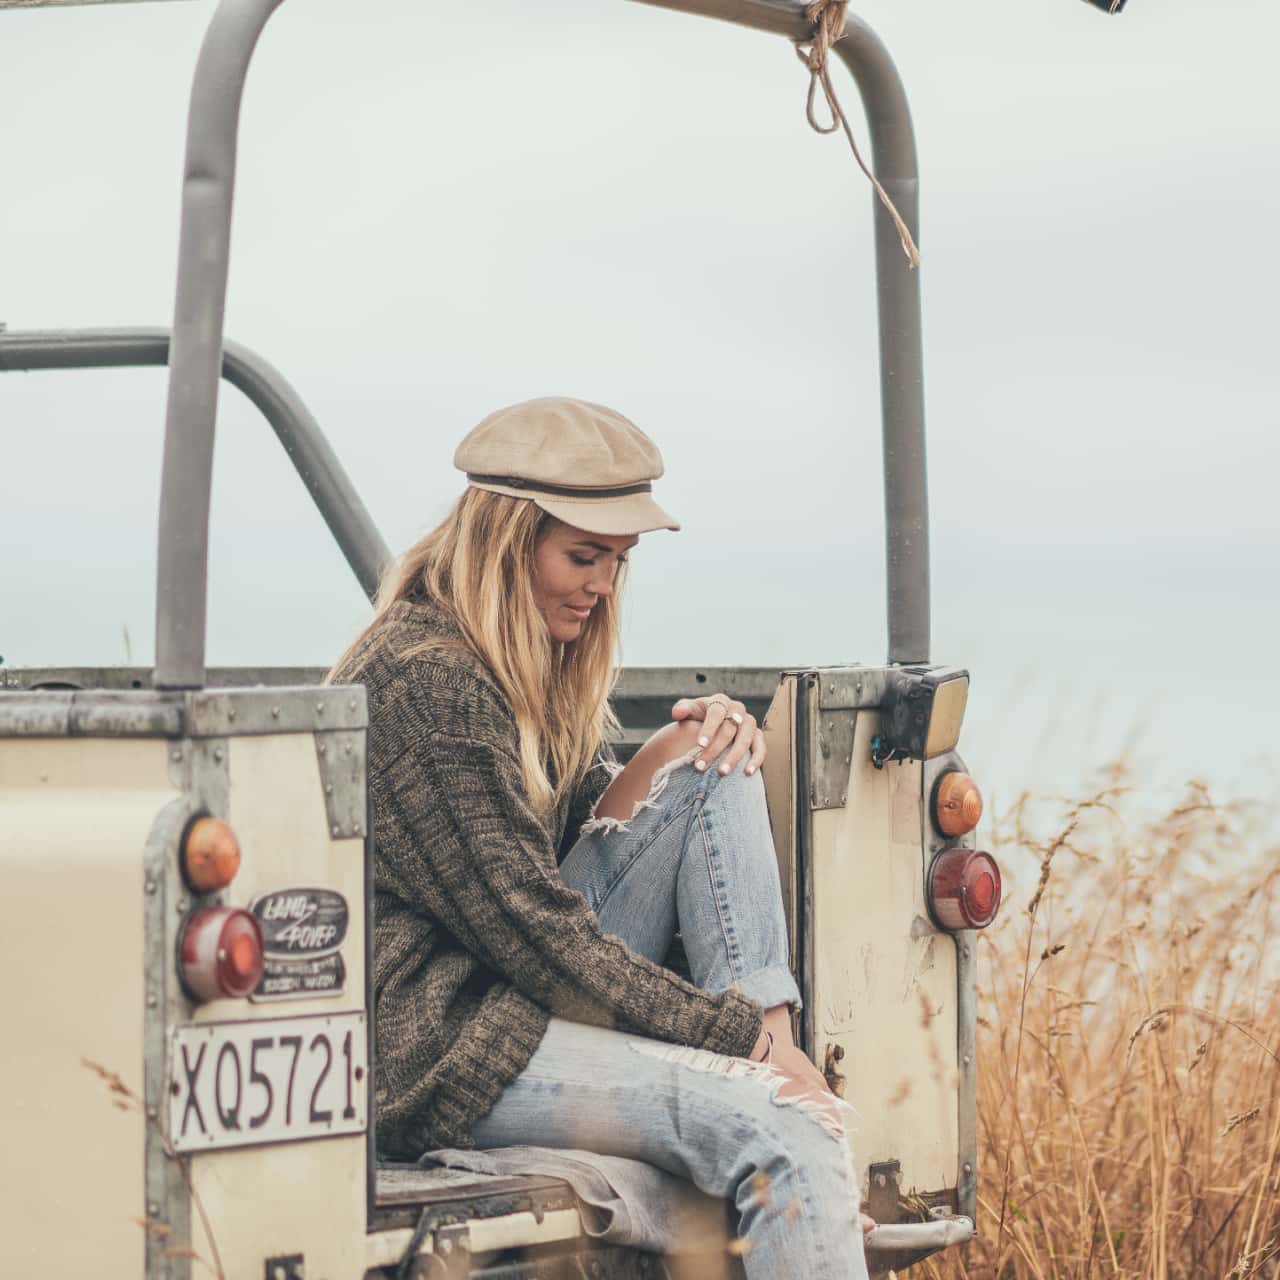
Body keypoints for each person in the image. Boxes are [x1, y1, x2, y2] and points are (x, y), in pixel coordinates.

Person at [330, 397, 872, 1278]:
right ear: (508, 544)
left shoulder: (503, 662)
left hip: (513, 993)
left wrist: (681, 745)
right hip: (450, 1045)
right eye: (583, 557)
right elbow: (539, 934)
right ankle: (784, 1072)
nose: (602, 584)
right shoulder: (430, 687)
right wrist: (737, 1047)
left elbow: (567, 827)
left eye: (618, 561)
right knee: (784, 1129)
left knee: (713, 751)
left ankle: (784, 1050)